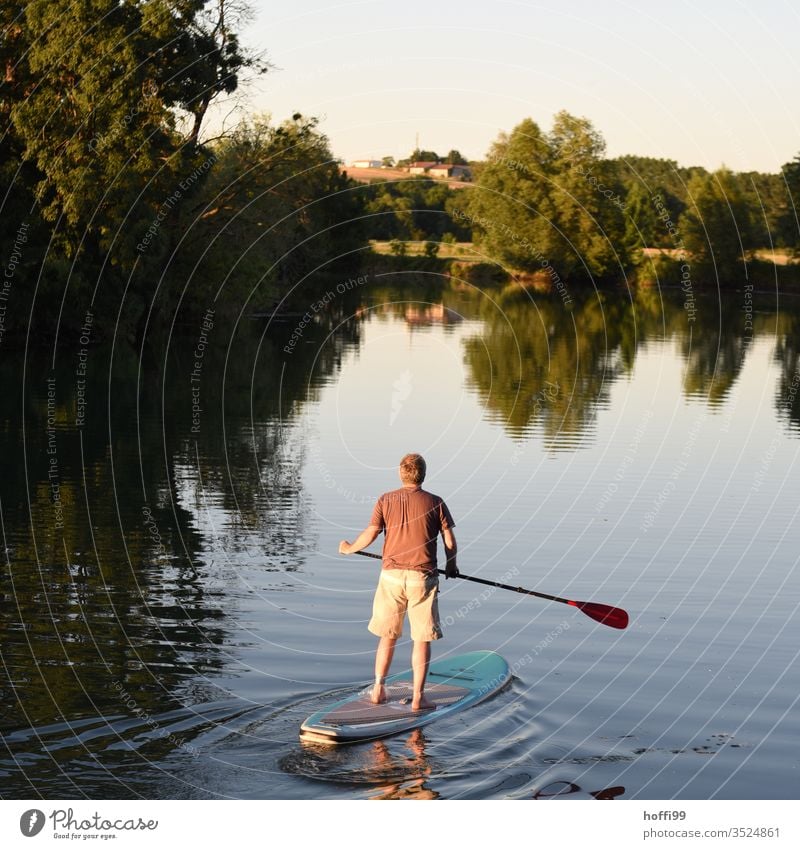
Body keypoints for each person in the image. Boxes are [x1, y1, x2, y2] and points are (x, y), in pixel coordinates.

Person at [339, 453, 458, 711]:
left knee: (387, 636)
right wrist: (451, 564)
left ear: (400, 474)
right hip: (422, 579)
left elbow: (370, 534)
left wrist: (349, 548)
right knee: (421, 639)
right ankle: (418, 698)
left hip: (391, 577)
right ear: (423, 475)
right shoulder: (436, 502)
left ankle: (379, 689)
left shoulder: (386, 499)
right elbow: (449, 540)